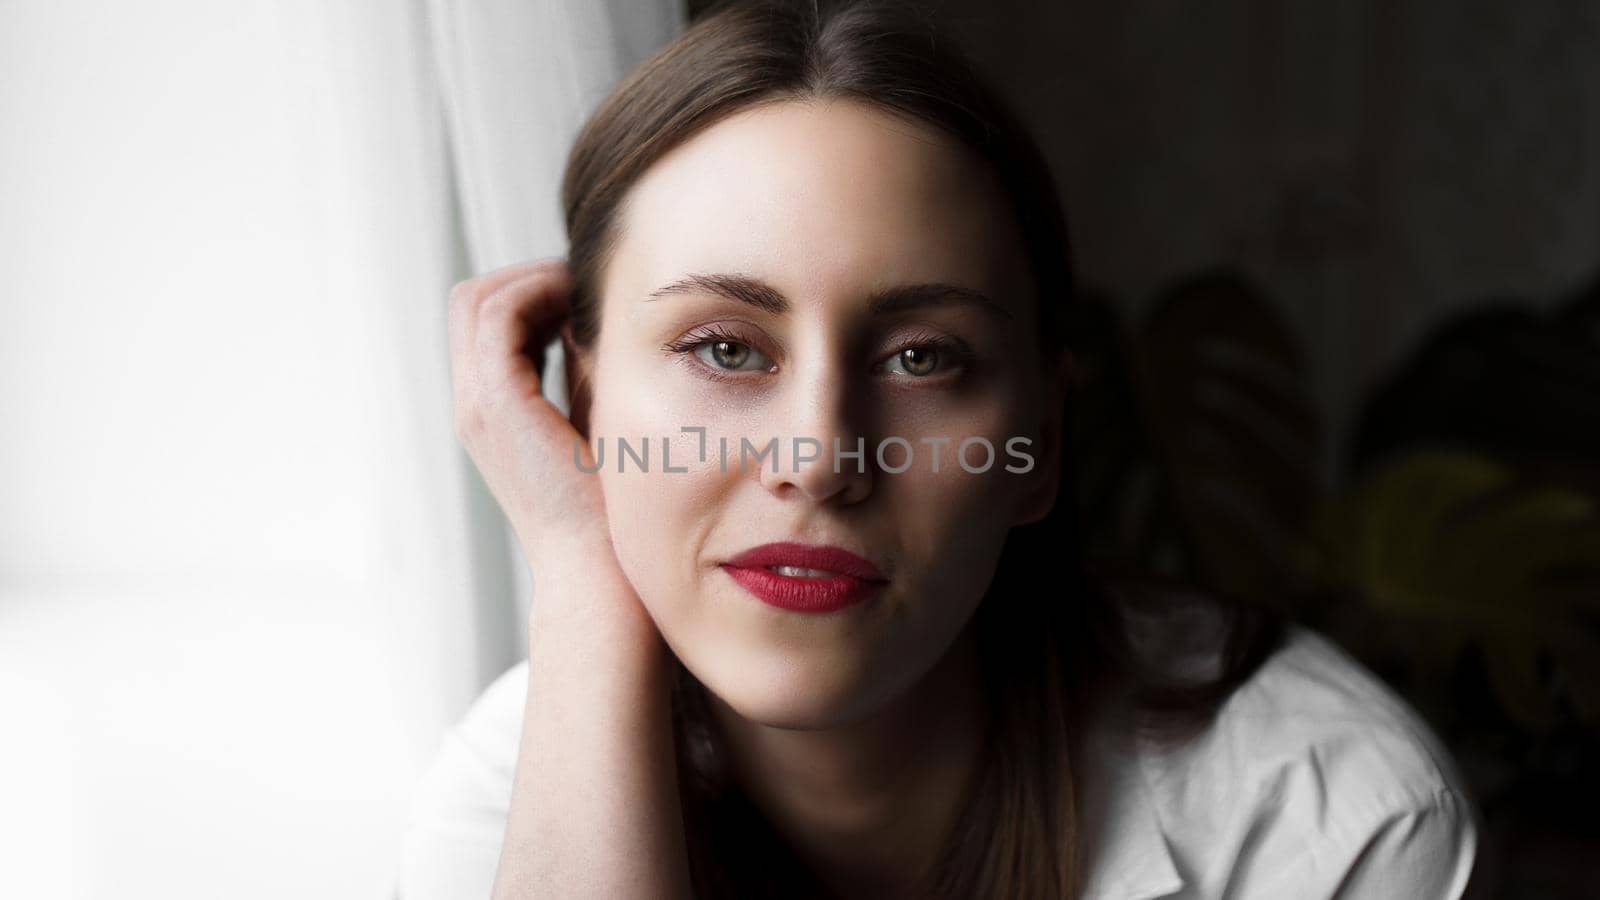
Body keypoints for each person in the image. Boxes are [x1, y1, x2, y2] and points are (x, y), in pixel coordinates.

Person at [399, 1, 1480, 897]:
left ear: (1039, 443)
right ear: (583, 405)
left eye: (923, 360)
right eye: (724, 347)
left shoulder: (1327, 818)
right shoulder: (519, 790)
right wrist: (582, 575)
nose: (820, 458)